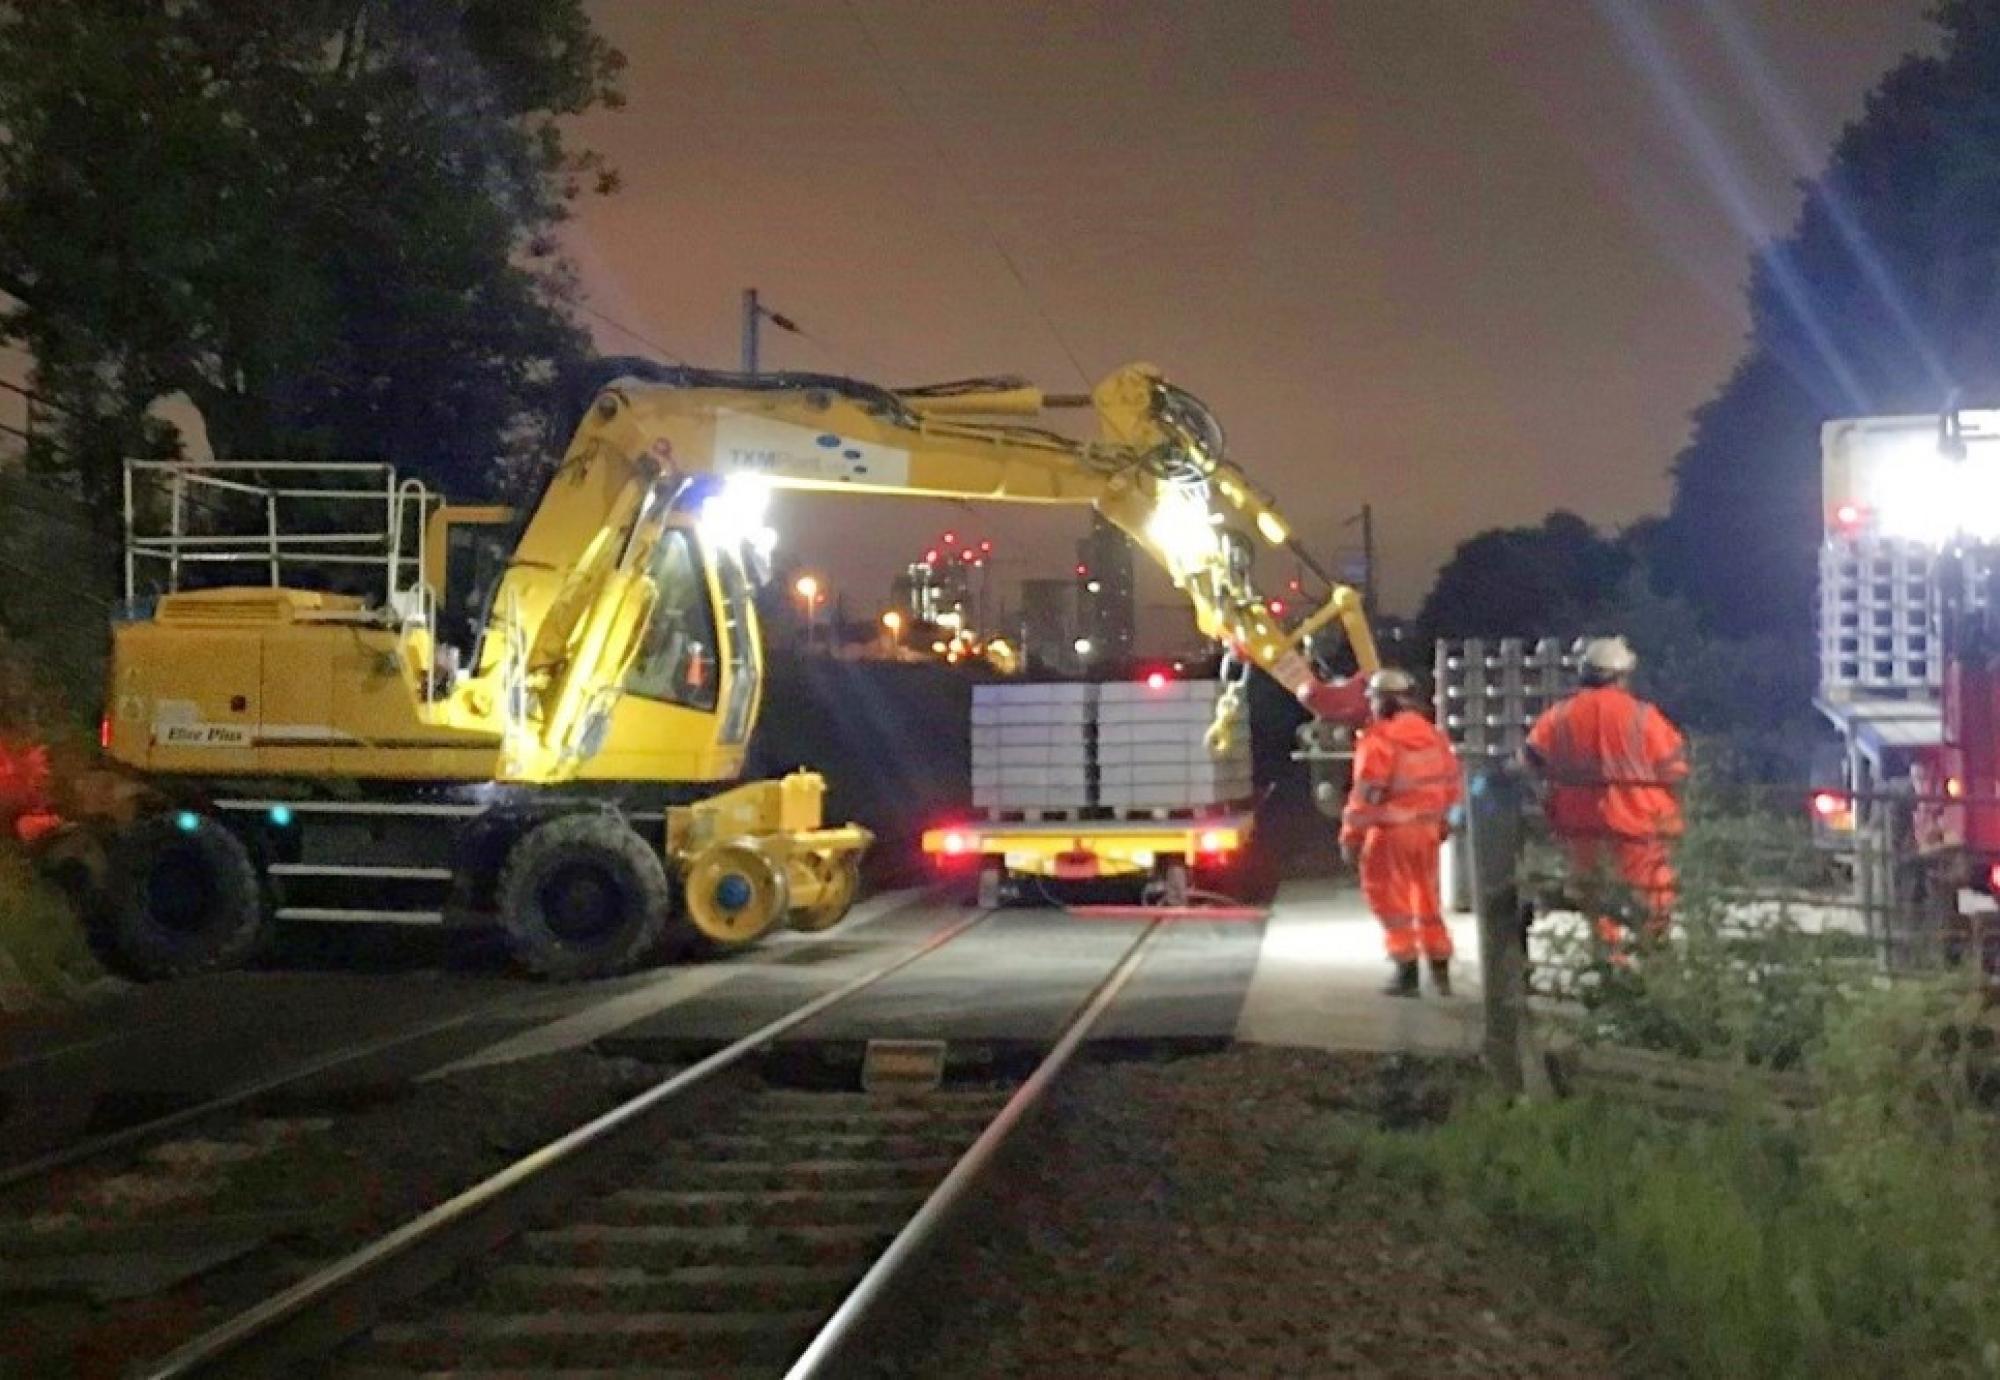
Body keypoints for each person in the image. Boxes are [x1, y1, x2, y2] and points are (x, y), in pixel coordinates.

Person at [1523, 635, 1687, 943]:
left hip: (1581, 827)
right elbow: (1674, 768)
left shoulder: (1559, 716)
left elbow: (1533, 757)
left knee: (1596, 902)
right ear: (1621, 675)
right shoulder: (1642, 716)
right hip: (1640, 828)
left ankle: (1611, 963)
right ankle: (1652, 966)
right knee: (1653, 902)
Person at [1331, 667, 1465, 998]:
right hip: (1428, 832)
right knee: (1428, 900)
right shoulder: (1435, 737)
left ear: (1383, 703)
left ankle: (1406, 972)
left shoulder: (1379, 741)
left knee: (1392, 903)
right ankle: (1440, 969)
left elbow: (1365, 796)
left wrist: (1350, 837)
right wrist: (1444, 824)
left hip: (1391, 833)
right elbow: (1452, 786)